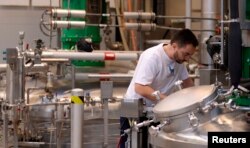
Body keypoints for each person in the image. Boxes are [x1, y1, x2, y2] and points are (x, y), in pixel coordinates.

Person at [119, 28, 199, 148]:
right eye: (186, 54)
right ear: (174, 46)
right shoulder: (152, 57)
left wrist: (199, 100)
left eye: (190, 56)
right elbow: (140, 87)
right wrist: (168, 101)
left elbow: (187, 83)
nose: (187, 59)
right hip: (137, 111)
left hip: (157, 110)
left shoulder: (179, 61)